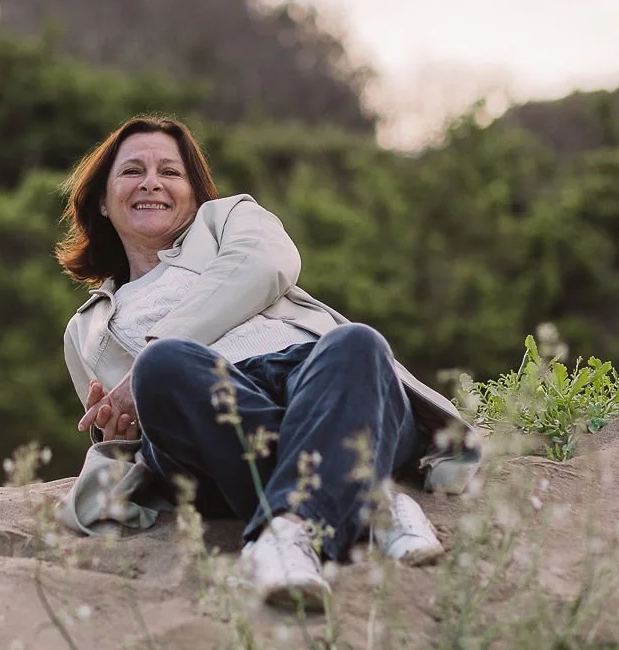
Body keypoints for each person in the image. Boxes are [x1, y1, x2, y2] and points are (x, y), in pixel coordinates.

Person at [55, 116, 481, 609]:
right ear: (102, 200)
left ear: (195, 195)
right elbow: (128, 425)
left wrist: (156, 345)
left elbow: (266, 264)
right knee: (163, 366)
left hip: (322, 379)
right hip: (217, 421)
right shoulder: (86, 327)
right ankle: (363, 496)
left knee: (357, 342)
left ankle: (287, 534)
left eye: (170, 172)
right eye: (133, 171)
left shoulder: (231, 219)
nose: (151, 182)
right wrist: (117, 431)